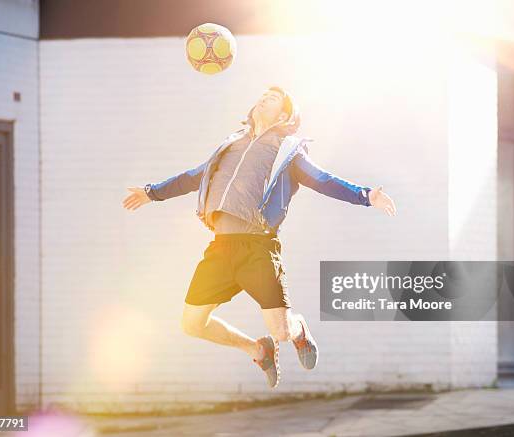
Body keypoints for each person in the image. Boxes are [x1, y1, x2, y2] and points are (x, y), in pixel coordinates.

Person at [122, 86, 397, 388]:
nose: (265, 97)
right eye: (264, 94)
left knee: (281, 331)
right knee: (191, 324)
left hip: (258, 248)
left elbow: (323, 180)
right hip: (220, 248)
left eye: (274, 98)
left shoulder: (287, 150)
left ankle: (298, 329)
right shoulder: (231, 144)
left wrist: (366, 196)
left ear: (284, 115)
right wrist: (152, 193)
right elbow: (192, 176)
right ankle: (257, 349)